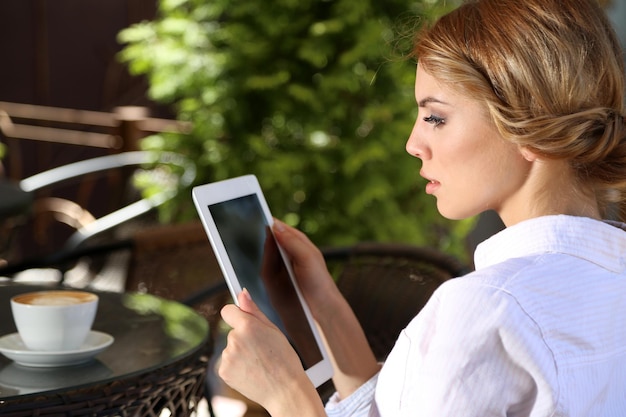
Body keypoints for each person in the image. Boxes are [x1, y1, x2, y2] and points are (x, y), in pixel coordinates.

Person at [217, 0, 626, 415]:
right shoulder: (608, 281)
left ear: (531, 123)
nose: (413, 144)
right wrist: (326, 306)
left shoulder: (486, 310)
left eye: (435, 118)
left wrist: (285, 393)